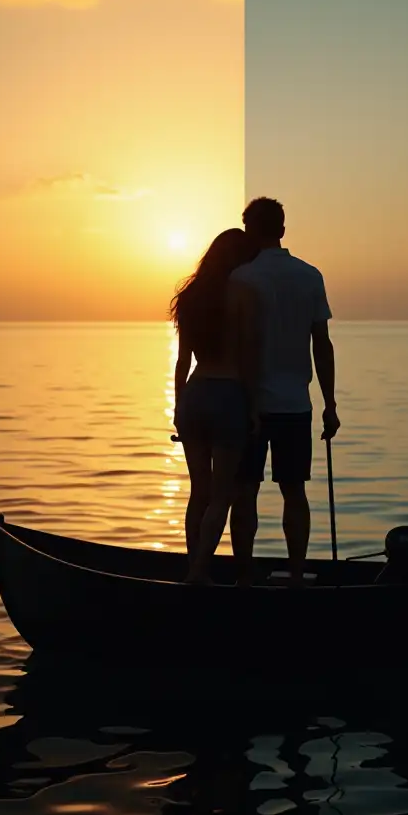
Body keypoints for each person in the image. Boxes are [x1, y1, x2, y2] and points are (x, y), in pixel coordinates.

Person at [229, 197, 340, 586]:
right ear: (282, 229)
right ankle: (295, 573)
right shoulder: (310, 275)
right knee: (295, 492)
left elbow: (237, 344)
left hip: (249, 404)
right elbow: (321, 343)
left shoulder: (240, 278)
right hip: (296, 402)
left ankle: (244, 573)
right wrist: (330, 404)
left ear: (249, 231)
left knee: (244, 491)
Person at [170, 228, 259, 583]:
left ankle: (195, 568)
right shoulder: (242, 294)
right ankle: (199, 571)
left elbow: (182, 362)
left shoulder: (190, 296)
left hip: (195, 394)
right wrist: (253, 408)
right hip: (228, 395)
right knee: (223, 494)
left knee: (199, 494)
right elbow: (248, 358)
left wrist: (178, 407)